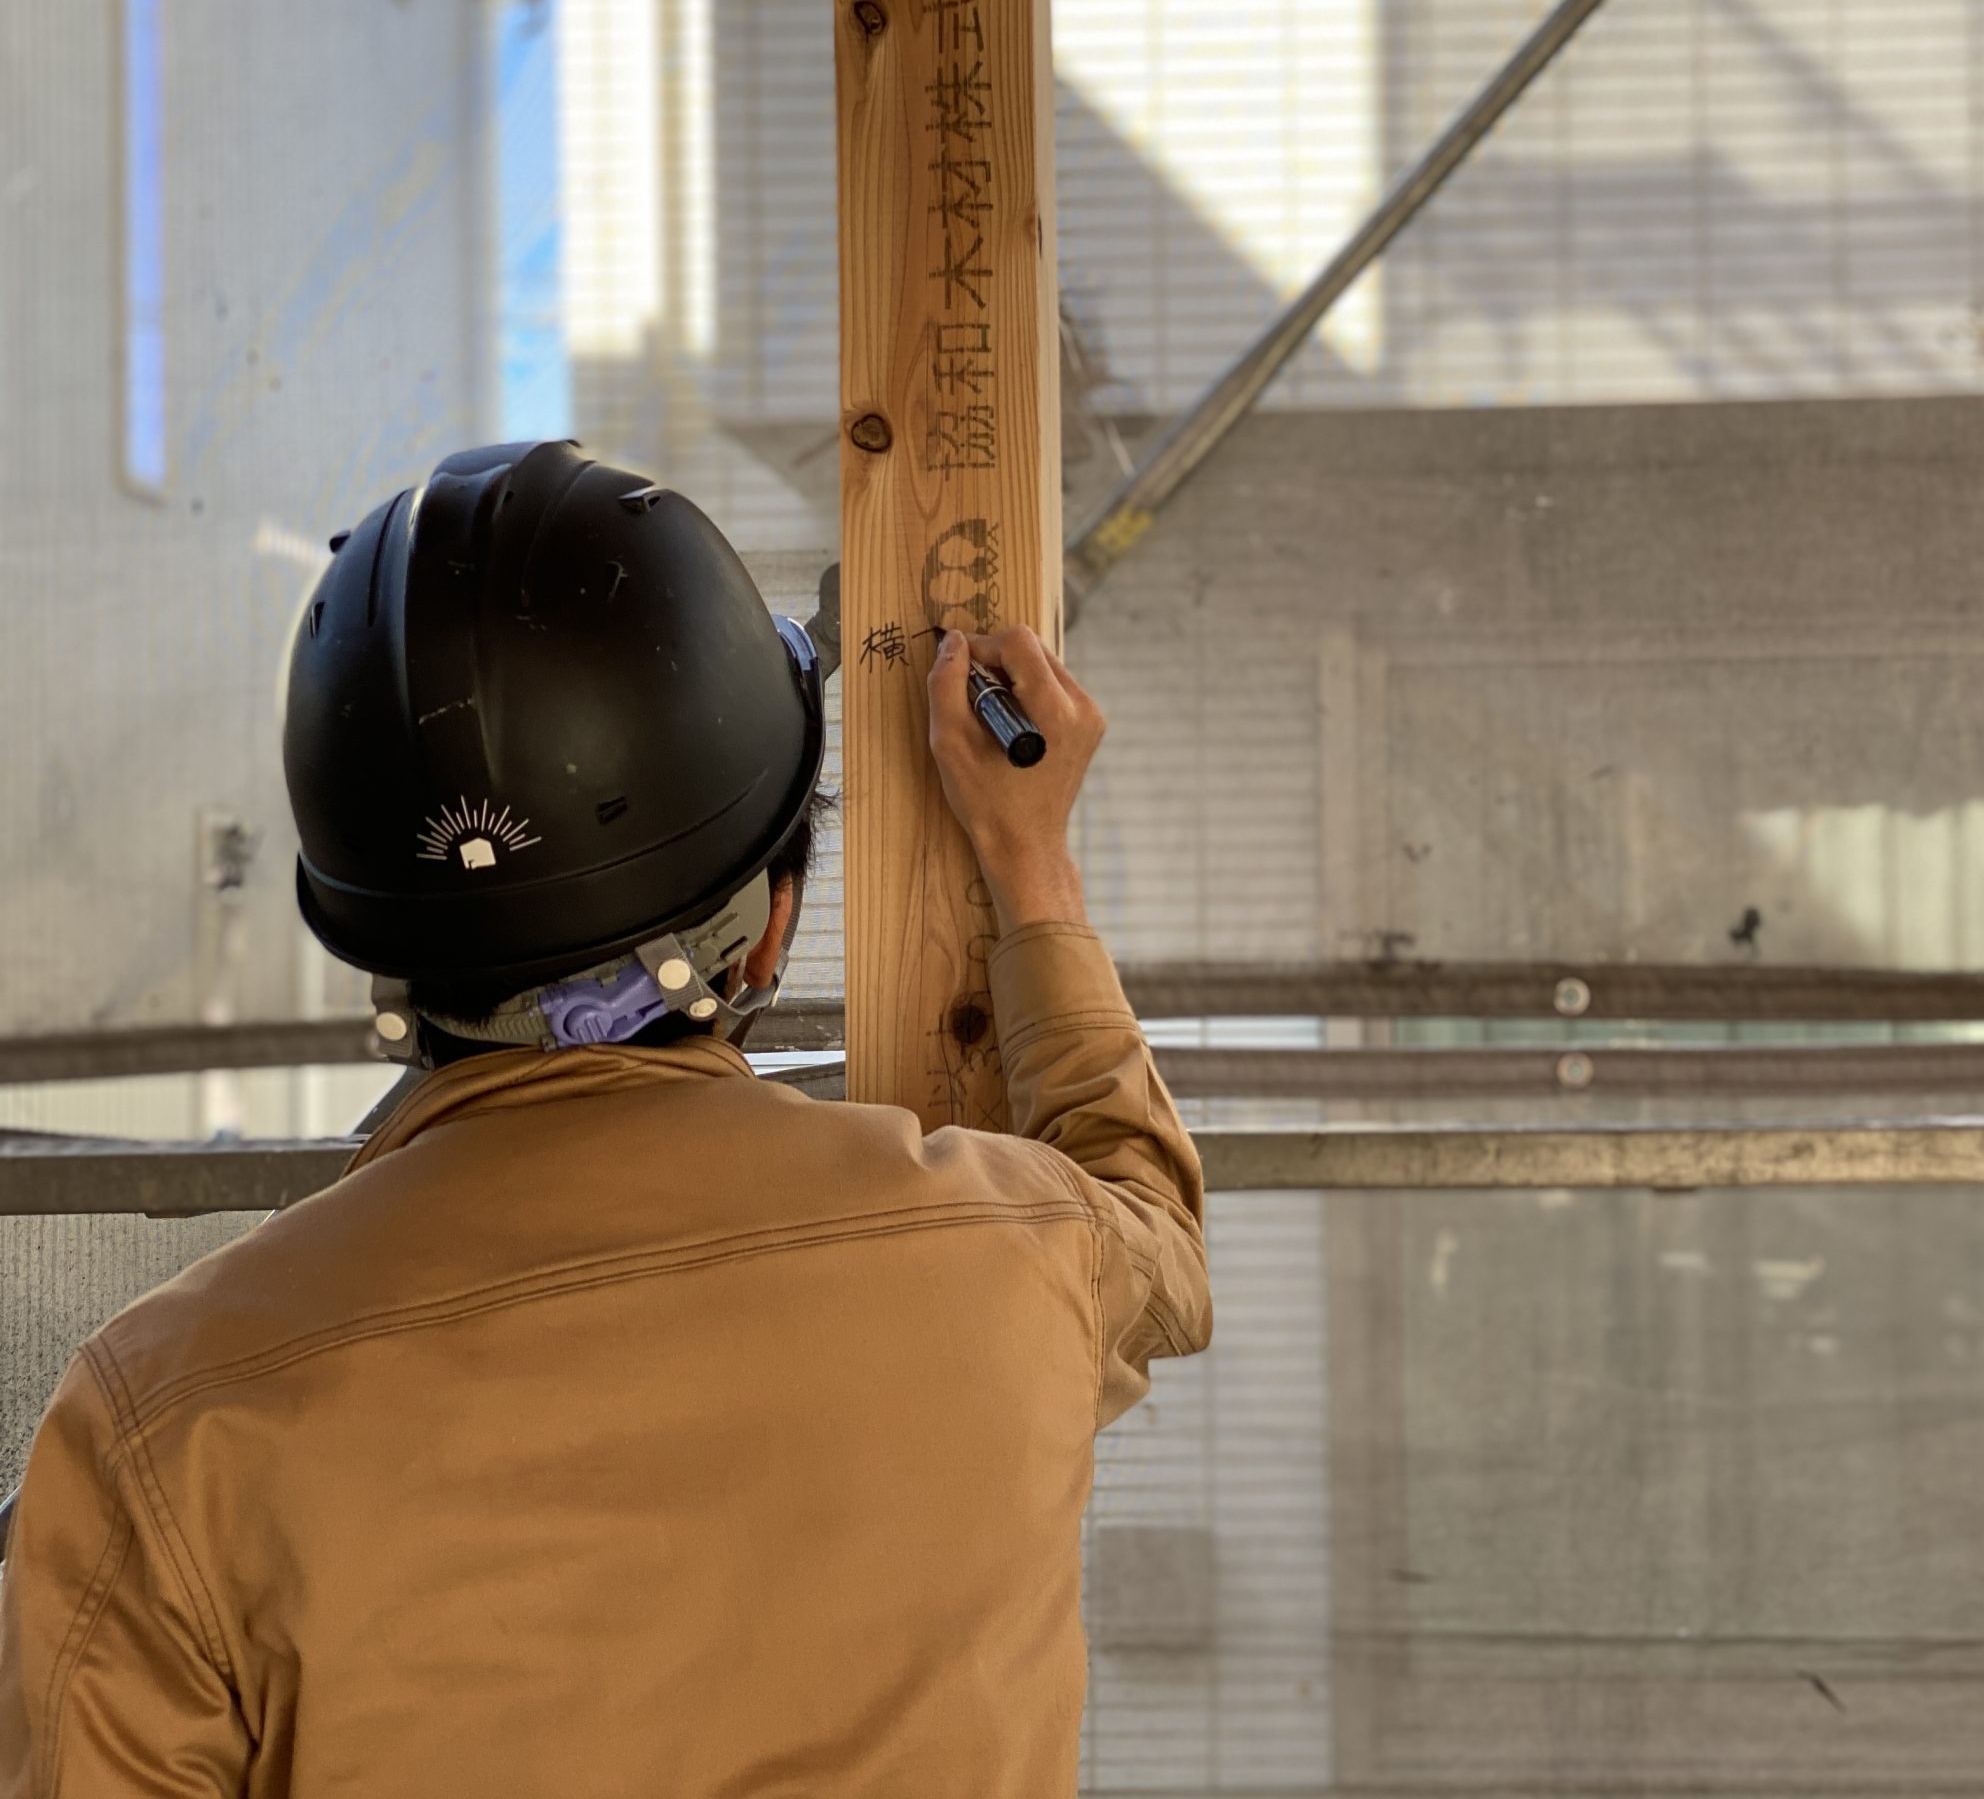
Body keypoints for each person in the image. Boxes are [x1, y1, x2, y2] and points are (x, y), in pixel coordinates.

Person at [0, 440, 1210, 1795]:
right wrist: (1031, 867)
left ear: (381, 953)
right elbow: (1152, 1226)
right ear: (772, 929)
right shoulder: (1013, 1258)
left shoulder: (162, 1423)